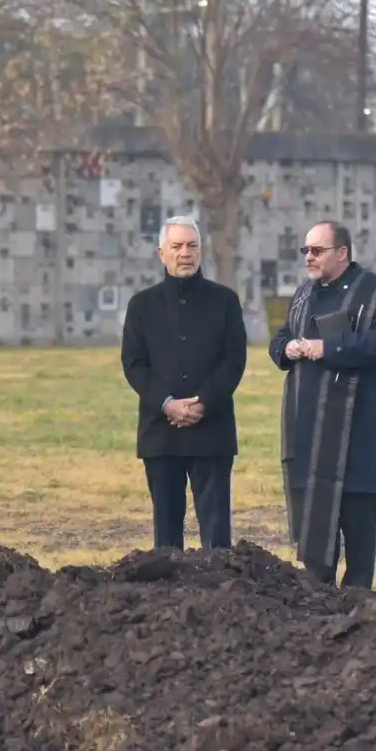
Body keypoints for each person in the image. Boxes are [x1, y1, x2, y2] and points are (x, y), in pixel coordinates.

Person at [268, 219, 376, 590]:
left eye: (317, 250)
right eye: (306, 251)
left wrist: (329, 348)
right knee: (314, 541)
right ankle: (316, 600)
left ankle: (359, 608)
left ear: (342, 253)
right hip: (308, 432)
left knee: (358, 538)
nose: (308, 257)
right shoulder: (303, 294)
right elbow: (280, 337)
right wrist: (288, 348)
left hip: (354, 430)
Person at [120, 215, 248, 550]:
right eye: (176, 246)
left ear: (201, 251)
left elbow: (233, 361)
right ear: (161, 253)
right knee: (166, 536)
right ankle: (167, 598)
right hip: (161, 432)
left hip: (212, 430)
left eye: (192, 245)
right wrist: (167, 403)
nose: (185, 253)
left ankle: (222, 596)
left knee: (217, 537)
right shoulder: (142, 306)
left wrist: (202, 401)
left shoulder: (225, 301)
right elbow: (134, 365)